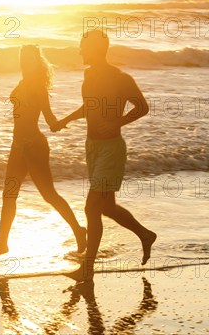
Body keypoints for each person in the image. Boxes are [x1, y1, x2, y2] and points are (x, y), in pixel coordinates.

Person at [53, 30, 157, 280]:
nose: (80, 51)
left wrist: (116, 123)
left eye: (83, 47)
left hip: (111, 148)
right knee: (106, 206)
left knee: (91, 208)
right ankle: (145, 235)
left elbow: (142, 107)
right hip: (93, 147)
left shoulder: (120, 78)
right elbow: (89, 107)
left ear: (97, 49)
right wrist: (65, 120)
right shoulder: (90, 74)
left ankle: (86, 270)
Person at [0, 45, 87, 260]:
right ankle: (2, 244)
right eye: (21, 57)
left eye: (28, 58)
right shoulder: (23, 82)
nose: (23, 61)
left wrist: (66, 120)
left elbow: (50, 120)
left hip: (34, 147)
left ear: (35, 61)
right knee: (8, 196)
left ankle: (78, 230)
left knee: (49, 195)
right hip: (17, 146)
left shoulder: (38, 87)